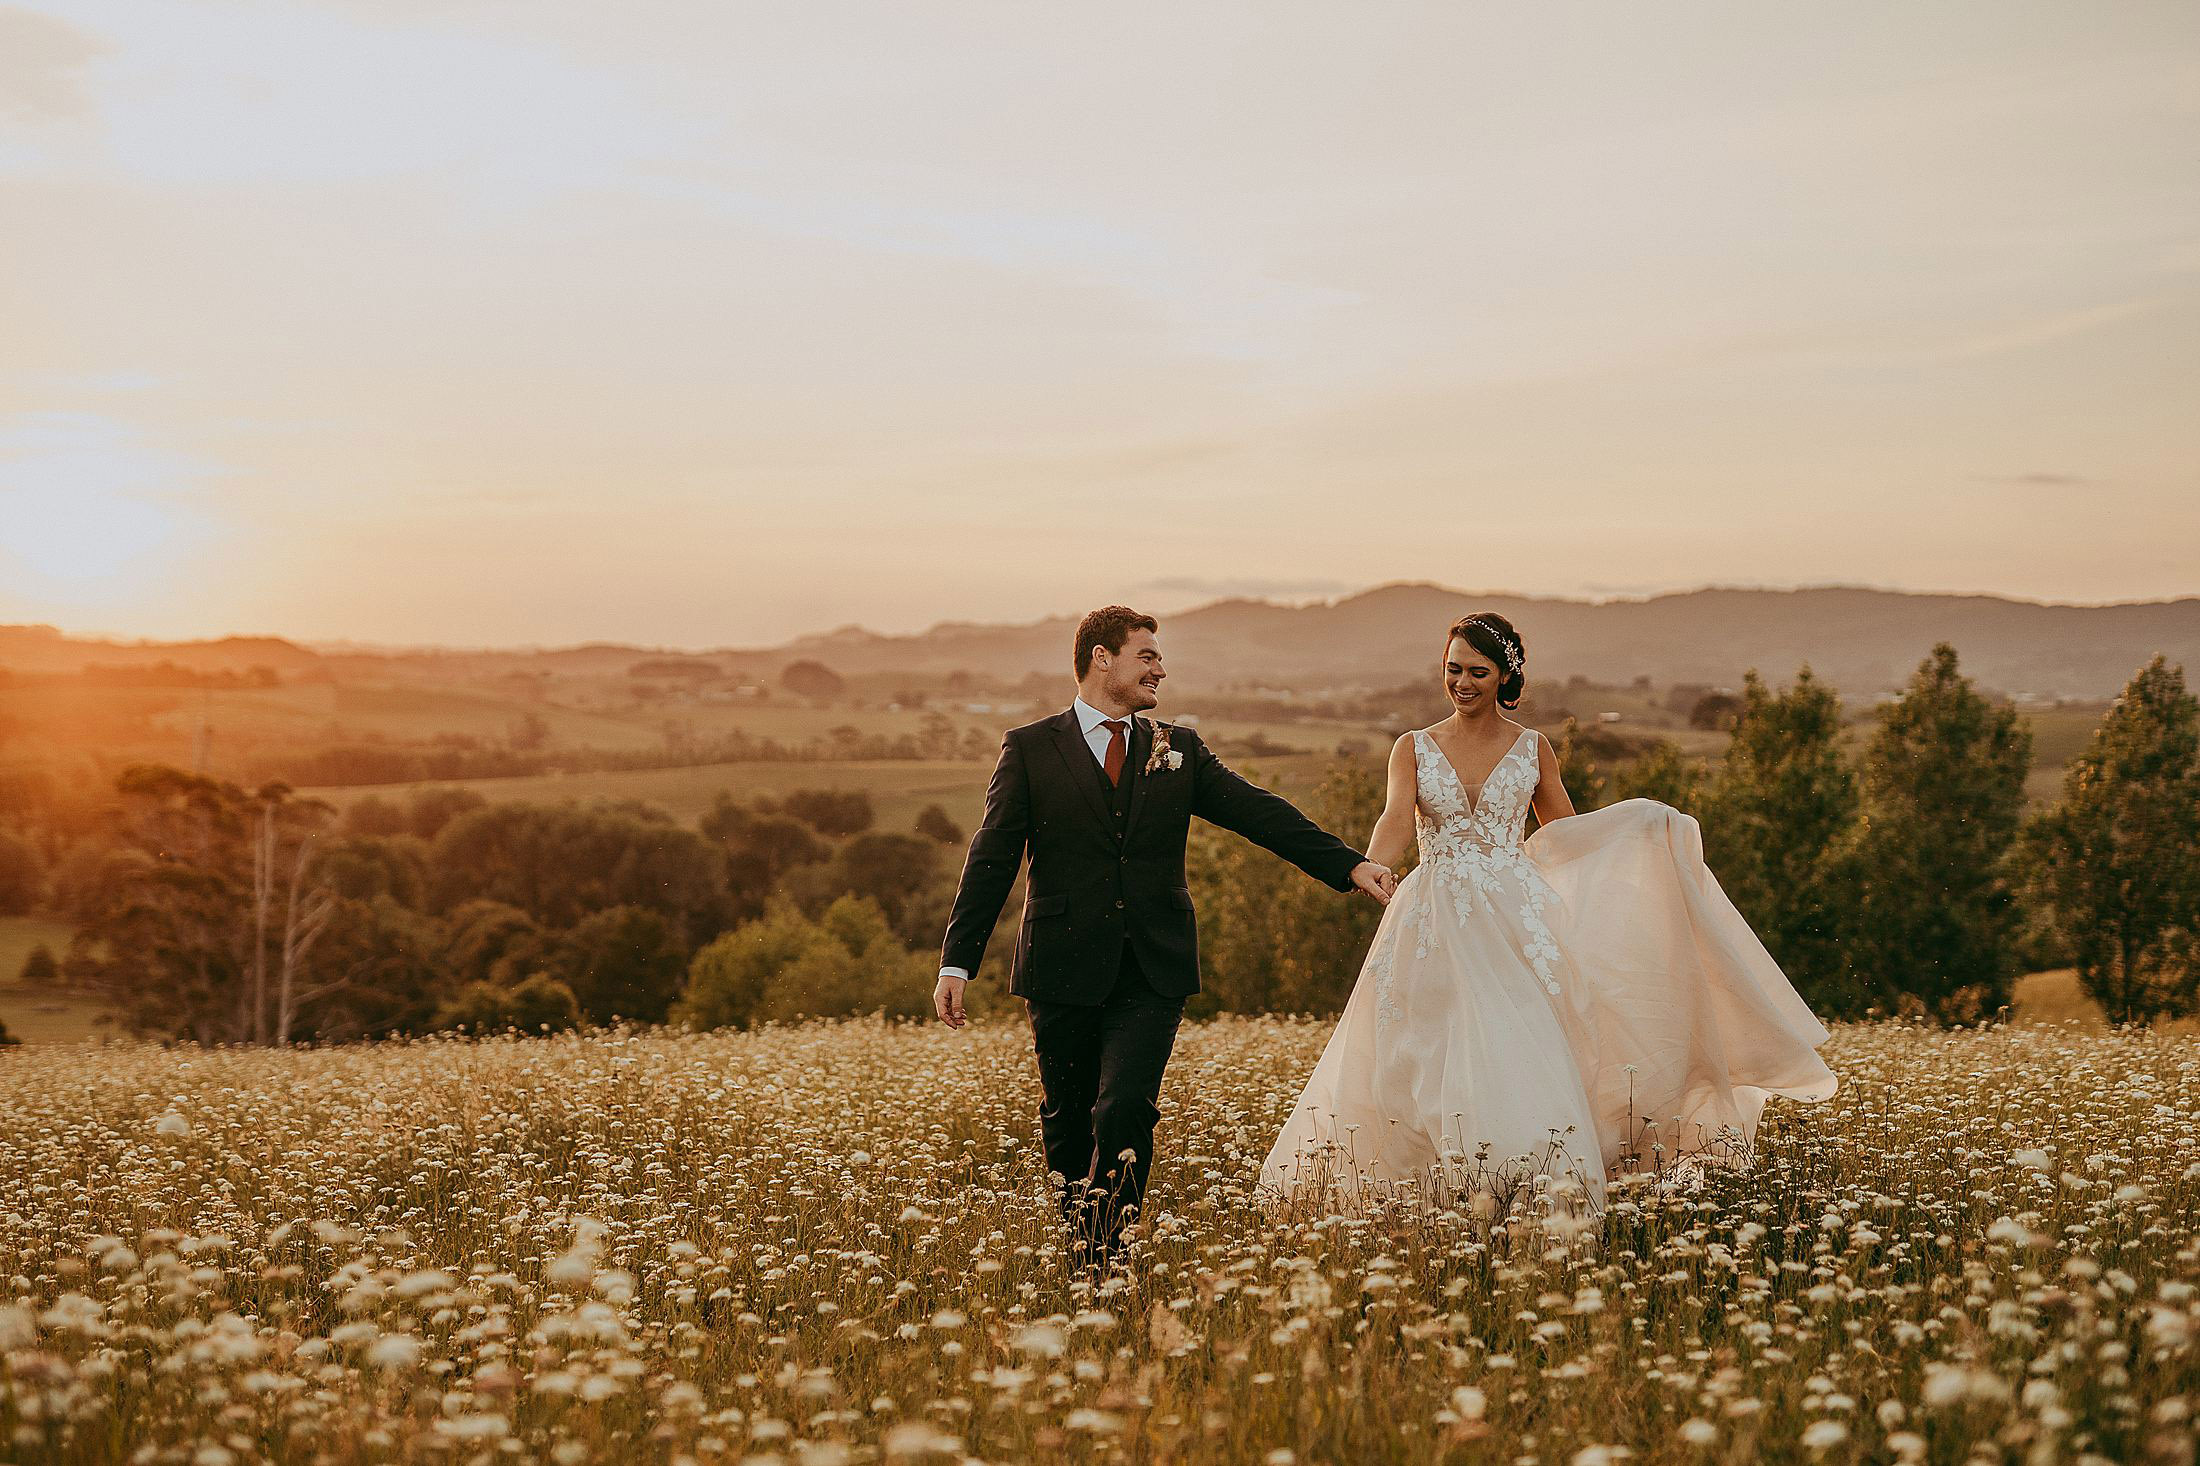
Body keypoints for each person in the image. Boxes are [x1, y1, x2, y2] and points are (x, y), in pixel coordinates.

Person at [1260, 612, 1836, 1214]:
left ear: (1505, 675)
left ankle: (1528, 1186)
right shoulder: (1413, 746)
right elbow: (1396, 817)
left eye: (1477, 672)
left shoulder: (1533, 748)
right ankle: (1430, 1192)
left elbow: (1565, 835)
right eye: (1452, 669)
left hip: (1516, 917)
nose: (1462, 682)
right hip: (1434, 915)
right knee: (1430, 1045)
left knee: (1520, 1040)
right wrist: (1372, 864)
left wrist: (1640, 827)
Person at [936, 605, 1395, 1267]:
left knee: (1124, 1108)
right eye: (1146, 655)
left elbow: (1256, 811)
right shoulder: (1032, 749)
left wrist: (1347, 863)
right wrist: (958, 960)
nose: (1160, 667)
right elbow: (992, 857)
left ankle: (1103, 1262)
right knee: (1068, 1122)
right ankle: (1083, 1246)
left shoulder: (1177, 749)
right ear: (1102, 658)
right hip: (1059, 963)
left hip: (1153, 965)